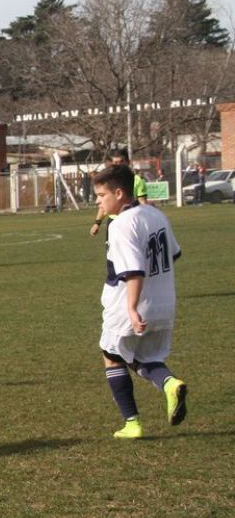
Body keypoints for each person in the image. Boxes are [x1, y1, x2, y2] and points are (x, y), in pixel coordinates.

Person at [91, 164, 187, 439]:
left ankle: (132, 423)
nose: (98, 202)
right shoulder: (156, 214)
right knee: (145, 356)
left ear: (119, 193)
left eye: (101, 195)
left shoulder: (121, 224)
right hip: (163, 302)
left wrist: (132, 308)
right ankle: (170, 383)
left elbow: (133, 271)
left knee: (112, 356)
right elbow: (174, 254)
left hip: (128, 304)